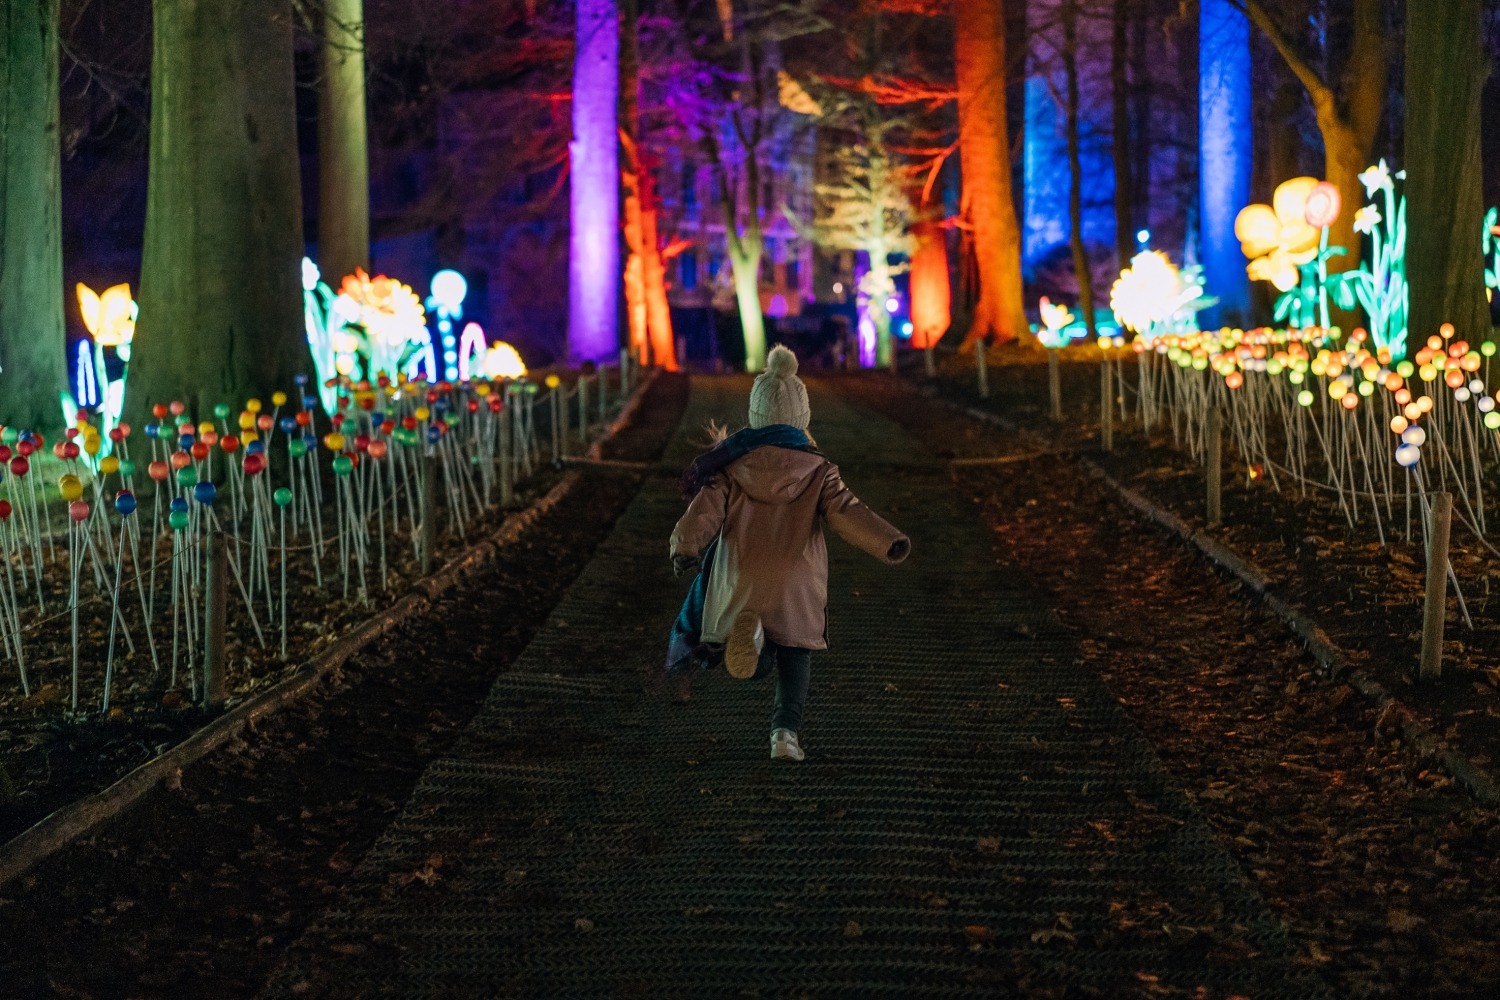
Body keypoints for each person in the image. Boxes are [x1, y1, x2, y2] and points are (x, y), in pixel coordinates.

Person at [668, 344, 910, 761]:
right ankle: (785, 735)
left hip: (741, 576)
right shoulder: (818, 470)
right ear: (803, 418)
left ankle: (756, 641)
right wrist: (888, 541)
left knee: (751, 652)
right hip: (797, 582)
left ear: (755, 416)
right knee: (797, 657)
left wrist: (684, 547)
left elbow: (703, 509)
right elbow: (848, 512)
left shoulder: (730, 467)